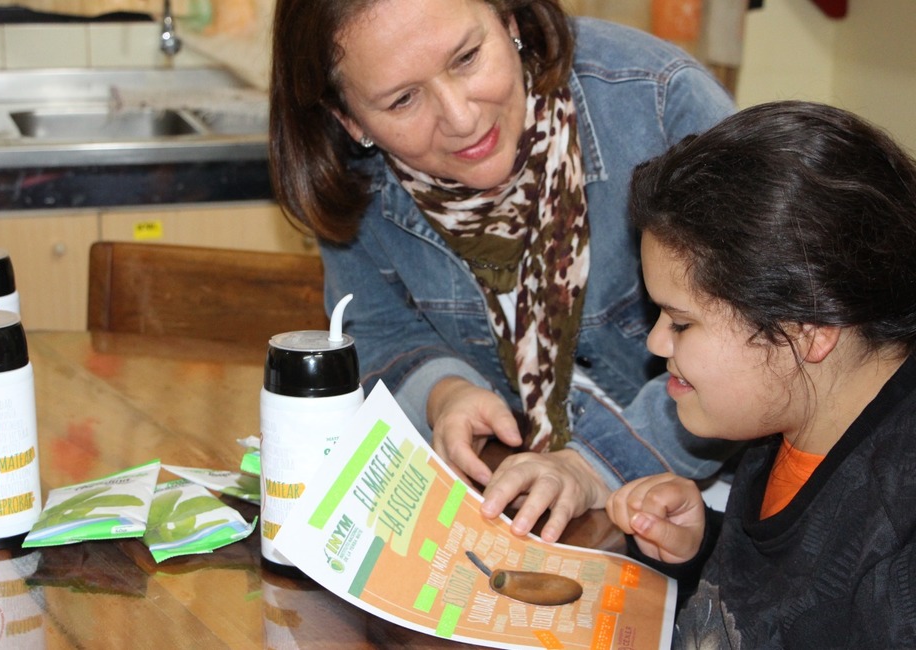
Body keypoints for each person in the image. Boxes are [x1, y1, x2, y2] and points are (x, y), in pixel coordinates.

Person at [269, 0, 737, 541]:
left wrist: (592, 465)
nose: (462, 117)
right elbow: (375, 329)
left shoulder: (658, 102)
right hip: (537, 518)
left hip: (724, 514)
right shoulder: (348, 179)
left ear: (510, 21)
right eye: (402, 100)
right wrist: (444, 393)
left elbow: (747, 337)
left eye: (467, 58)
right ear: (349, 120)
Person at [602, 100, 916, 647]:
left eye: (680, 321)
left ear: (807, 330)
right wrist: (701, 547)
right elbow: (798, 596)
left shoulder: (896, 556)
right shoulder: (794, 408)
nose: (656, 342)